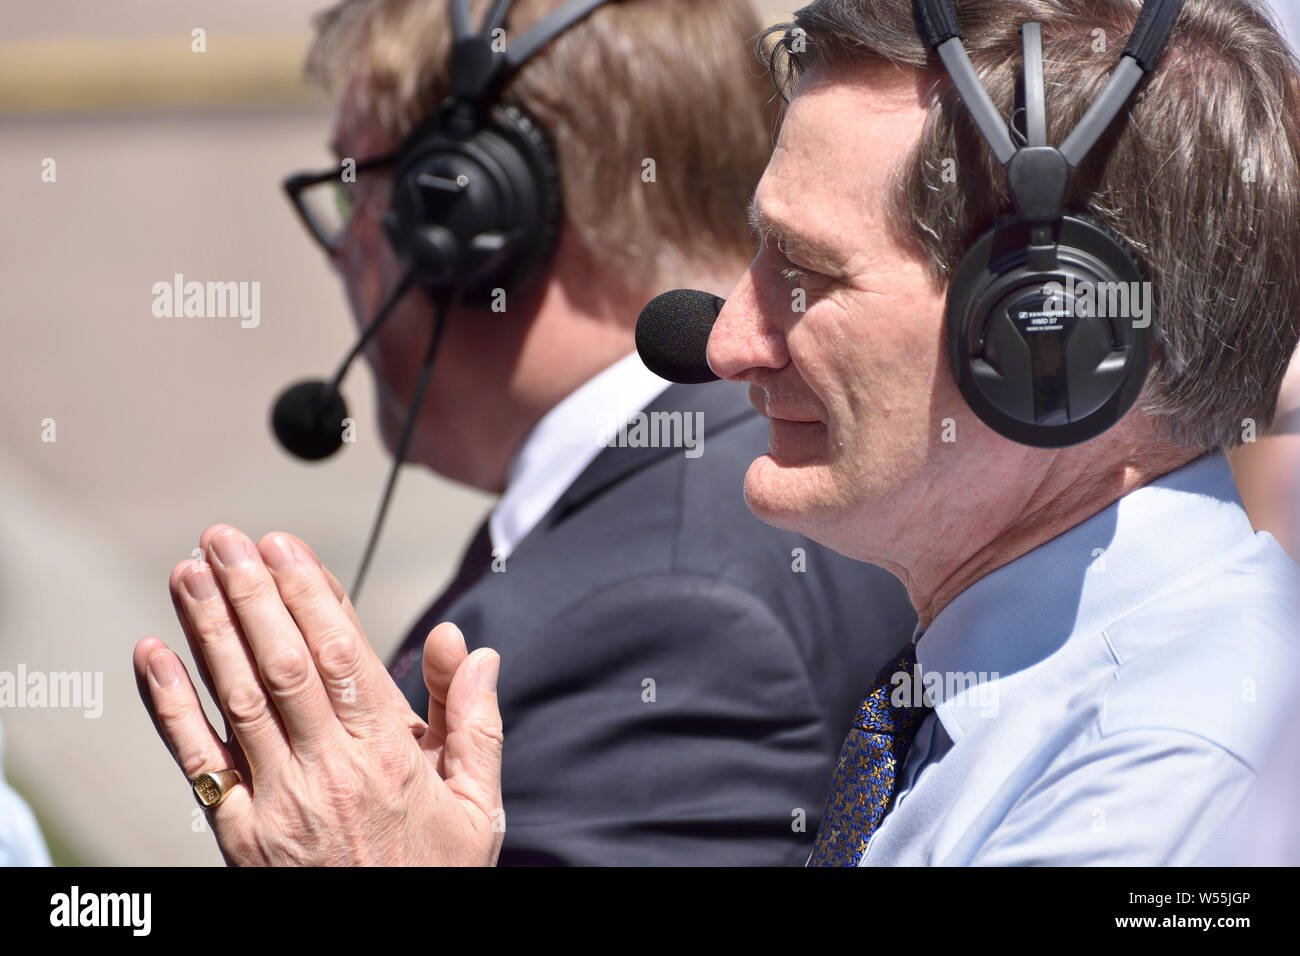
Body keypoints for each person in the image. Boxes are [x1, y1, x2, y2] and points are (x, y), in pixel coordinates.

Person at [134, 0, 1300, 867]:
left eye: (803, 275)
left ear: (1047, 336)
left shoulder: (1164, 782)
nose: (726, 338)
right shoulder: (983, 689)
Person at [134, 0, 916, 866]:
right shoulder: (734, 473)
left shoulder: (670, 607)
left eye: (359, 189)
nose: (338, 250)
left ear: (470, 224)